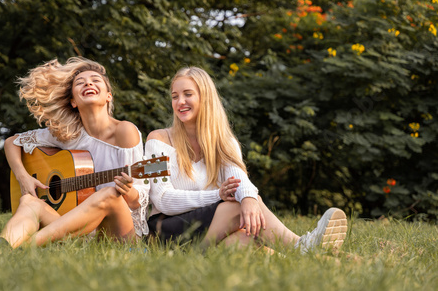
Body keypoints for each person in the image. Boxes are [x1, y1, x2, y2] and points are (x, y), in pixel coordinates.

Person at [145, 66, 347, 254]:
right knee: (236, 205)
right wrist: (218, 196)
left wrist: (249, 198)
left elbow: (238, 178)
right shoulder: (158, 140)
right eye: (175, 96)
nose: (180, 102)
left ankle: (317, 260)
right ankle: (302, 246)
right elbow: (162, 199)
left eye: (188, 94)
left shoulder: (224, 142)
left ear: (205, 98)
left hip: (210, 228)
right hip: (167, 231)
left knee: (241, 239)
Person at [0, 57, 149, 249]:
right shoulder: (68, 135)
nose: (88, 83)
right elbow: (13, 142)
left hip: (121, 232)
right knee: (29, 201)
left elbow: (140, 198)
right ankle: (2, 245)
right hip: (81, 231)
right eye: (80, 82)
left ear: (108, 96)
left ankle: (23, 247)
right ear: (73, 102)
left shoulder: (125, 131)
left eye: (95, 80)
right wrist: (23, 177)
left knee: (110, 193)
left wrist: (131, 192)